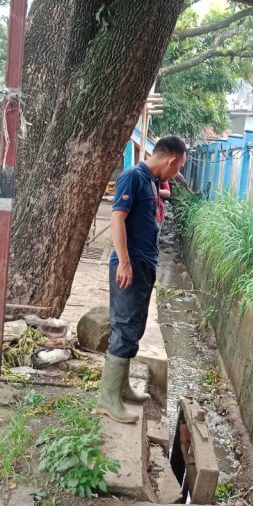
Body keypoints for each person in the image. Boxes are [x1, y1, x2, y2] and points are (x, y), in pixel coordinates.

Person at [97, 135, 187, 424]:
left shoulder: (151, 180)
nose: (177, 174)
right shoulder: (132, 176)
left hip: (144, 264)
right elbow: (117, 218)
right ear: (171, 159)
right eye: (178, 168)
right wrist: (123, 262)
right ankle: (107, 399)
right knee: (124, 326)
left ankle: (121, 387)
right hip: (130, 265)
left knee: (134, 327)